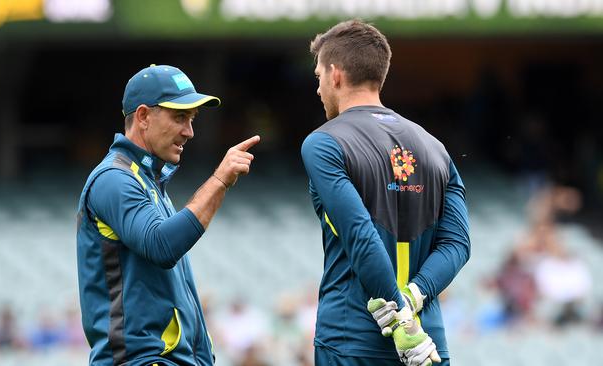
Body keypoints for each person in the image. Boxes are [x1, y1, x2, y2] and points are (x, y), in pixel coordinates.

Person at [301, 20, 470, 366]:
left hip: (355, 340)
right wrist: (413, 298)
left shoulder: (323, 143)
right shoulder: (435, 147)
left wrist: (399, 321)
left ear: (335, 74)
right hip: (427, 345)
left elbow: (360, 234)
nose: (317, 89)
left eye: (318, 77)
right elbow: (458, 244)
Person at [77, 64, 260, 366]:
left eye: (191, 119)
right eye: (179, 117)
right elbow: (161, 246)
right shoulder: (114, 178)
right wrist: (219, 181)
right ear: (144, 116)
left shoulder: (150, 183)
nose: (189, 131)